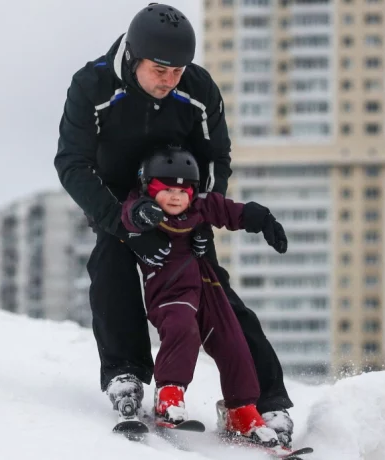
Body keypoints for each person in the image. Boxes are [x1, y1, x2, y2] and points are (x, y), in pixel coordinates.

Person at [53, 2, 295, 447]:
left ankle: (261, 399)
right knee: (111, 272)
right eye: (160, 70)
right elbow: (71, 162)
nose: (170, 80)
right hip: (117, 203)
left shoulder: (198, 89)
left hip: (180, 202)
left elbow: (216, 159)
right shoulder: (92, 85)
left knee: (214, 294)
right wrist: (122, 225)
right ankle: (126, 374)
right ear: (134, 57)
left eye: (178, 71)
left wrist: (199, 215)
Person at [120, 146, 287, 446]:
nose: (175, 197)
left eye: (183, 191)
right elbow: (129, 216)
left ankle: (241, 409)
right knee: (183, 329)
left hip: (207, 286)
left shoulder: (198, 207)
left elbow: (229, 210)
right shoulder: (144, 209)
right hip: (169, 291)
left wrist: (261, 219)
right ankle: (169, 394)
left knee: (232, 339)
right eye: (167, 189)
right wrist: (140, 213)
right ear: (149, 188)